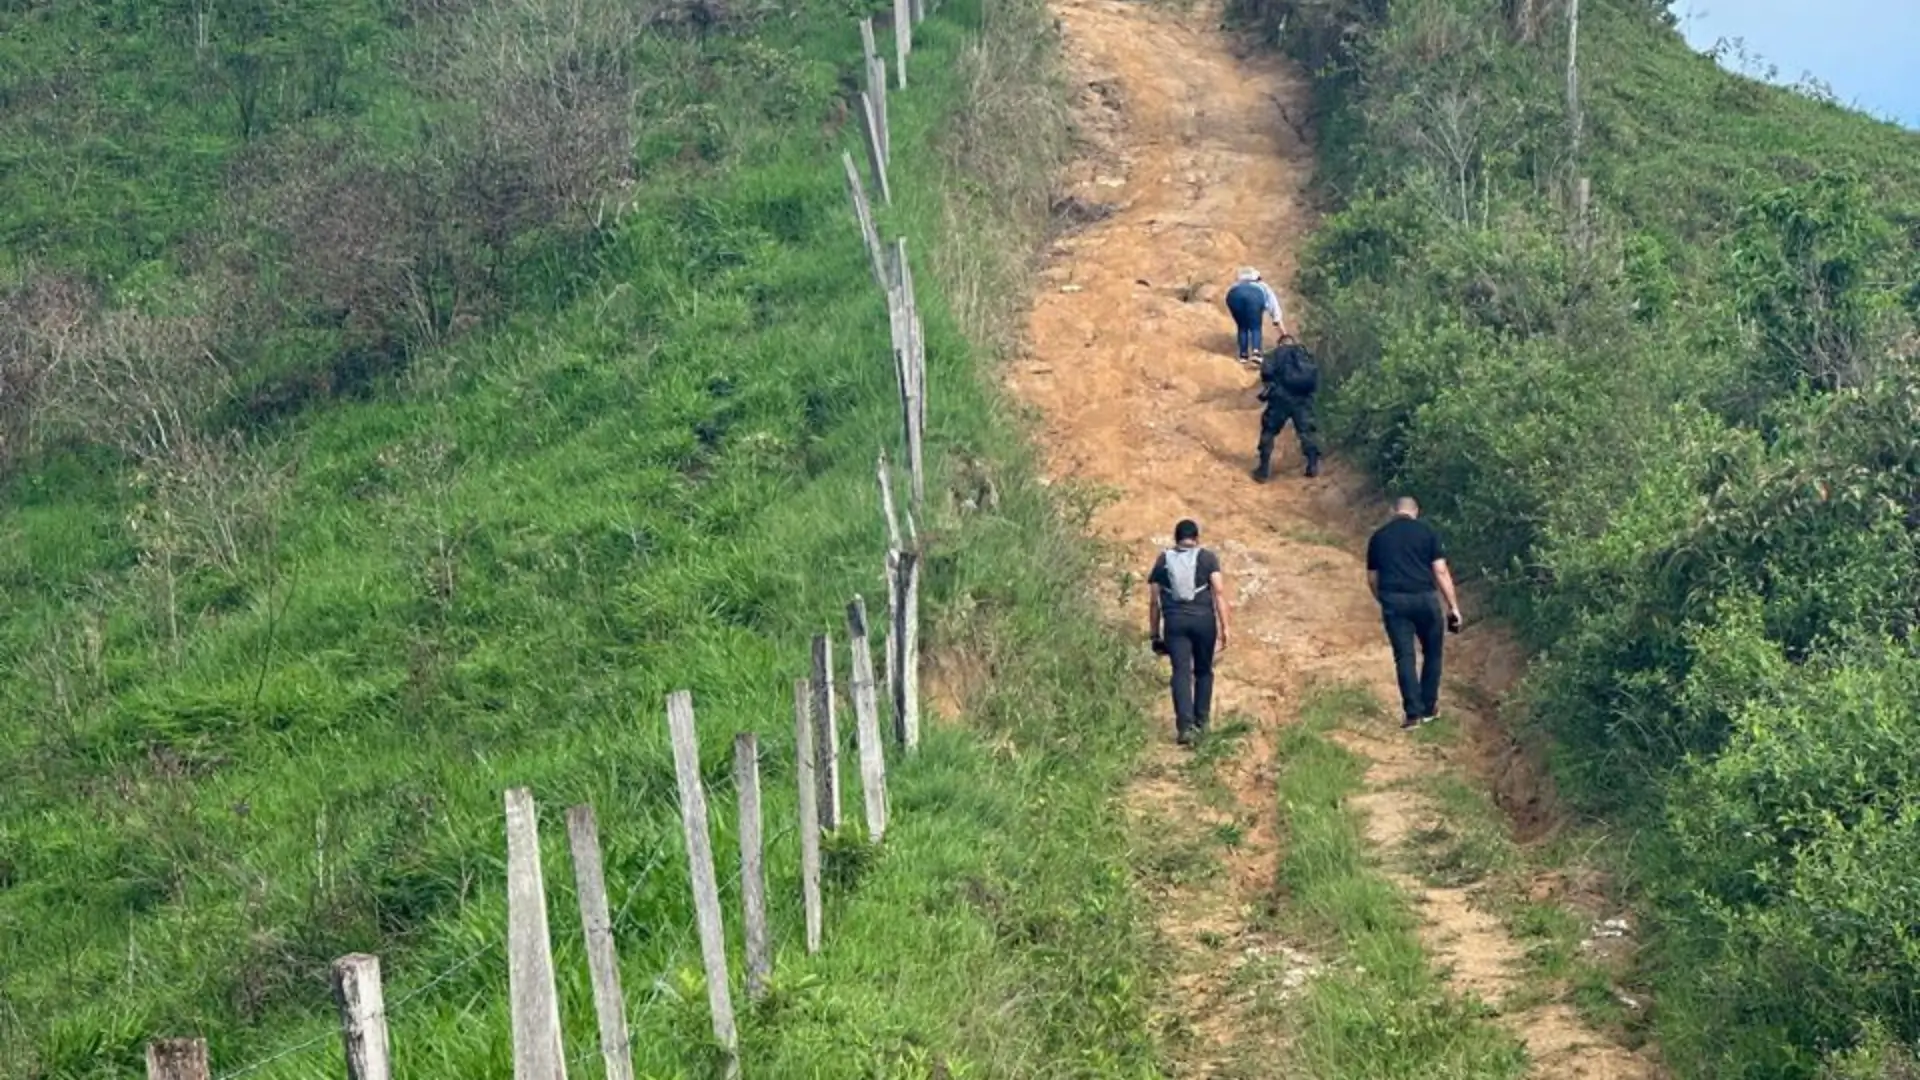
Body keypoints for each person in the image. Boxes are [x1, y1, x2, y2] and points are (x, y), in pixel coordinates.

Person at [1364, 497, 1463, 729]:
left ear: (1393, 511)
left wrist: (1384, 599)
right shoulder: (1428, 532)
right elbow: (1440, 571)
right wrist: (1453, 606)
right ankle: (1429, 708)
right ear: (1416, 512)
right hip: (1425, 599)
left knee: (1404, 656)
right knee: (1432, 653)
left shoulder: (1379, 536)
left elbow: (1372, 578)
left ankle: (1412, 715)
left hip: (1394, 600)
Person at [1147, 519, 1232, 746]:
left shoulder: (1163, 560)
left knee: (1181, 673)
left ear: (1176, 538)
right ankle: (1202, 724)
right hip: (1204, 623)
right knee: (1204, 671)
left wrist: (1154, 634)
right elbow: (1219, 593)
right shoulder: (1207, 557)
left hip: (1175, 625)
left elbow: (1154, 602)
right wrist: (1225, 627)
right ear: (1196, 538)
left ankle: (1185, 728)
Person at [1254, 334, 1322, 480]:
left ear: (1280, 344)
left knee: (1269, 430)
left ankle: (1263, 469)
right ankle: (1312, 465)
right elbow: (1314, 378)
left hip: (1280, 399)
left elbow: (1266, 373)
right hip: (1302, 401)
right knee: (1307, 432)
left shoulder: (1275, 354)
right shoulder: (1305, 354)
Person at [1224, 268, 1285, 361]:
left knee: (1242, 326)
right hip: (1255, 296)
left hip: (1234, 295)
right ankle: (1256, 352)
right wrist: (1283, 333)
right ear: (1258, 278)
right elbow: (1275, 309)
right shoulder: (1263, 286)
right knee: (1255, 326)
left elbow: (1228, 298)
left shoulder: (1236, 285)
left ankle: (1243, 355)